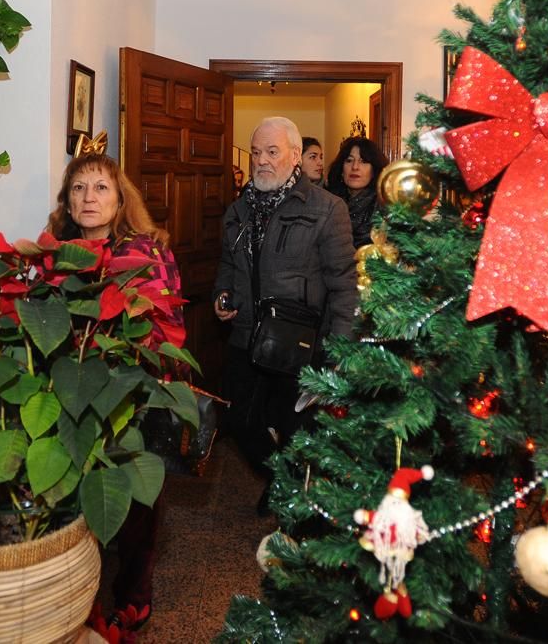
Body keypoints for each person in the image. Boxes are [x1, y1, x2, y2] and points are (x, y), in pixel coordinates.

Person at [47, 150, 185, 630]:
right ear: (66, 200)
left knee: (134, 505)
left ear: (119, 198)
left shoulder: (147, 250)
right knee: (75, 500)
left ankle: (133, 590)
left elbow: (170, 326)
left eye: (100, 187)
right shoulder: (54, 254)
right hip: (72, 394)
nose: (89, 197)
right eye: (79, 187)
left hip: (133, 394)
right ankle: (82, 595)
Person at [213, 117, 357, 494]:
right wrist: (221, 295)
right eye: (256, 152)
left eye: (272, 152)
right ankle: (282, 484)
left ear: (295, 156)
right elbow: (228, 265)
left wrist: (340, 347)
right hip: (246, 336)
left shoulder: (328, 209)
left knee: (297, 433)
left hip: (300, 343)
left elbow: (344, 284)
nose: (261, 160)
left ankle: (293, 504)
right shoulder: (238, 210)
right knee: (238, 420)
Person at [326, 136, 389, 248]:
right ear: (341, 169)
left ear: (374, 170)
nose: (355, 167)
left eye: (363, 161)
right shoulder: (328, 203)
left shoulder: (385, 207)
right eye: (349, 160)